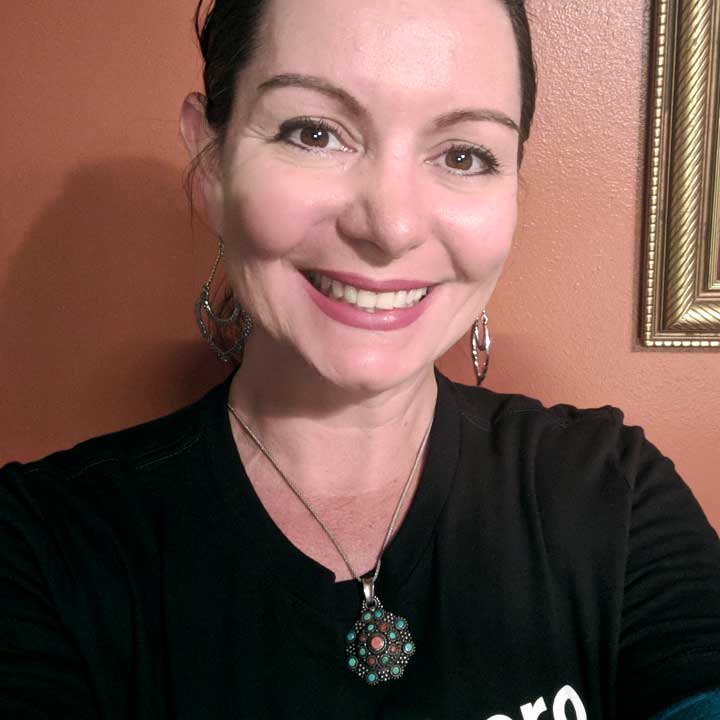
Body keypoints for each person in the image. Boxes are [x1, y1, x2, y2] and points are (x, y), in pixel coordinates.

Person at [1, 0, 720, 717]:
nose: (391, 226)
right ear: (211, 163)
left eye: (464, 155)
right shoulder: (40, 548)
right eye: (314, 132)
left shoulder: (613, 496)